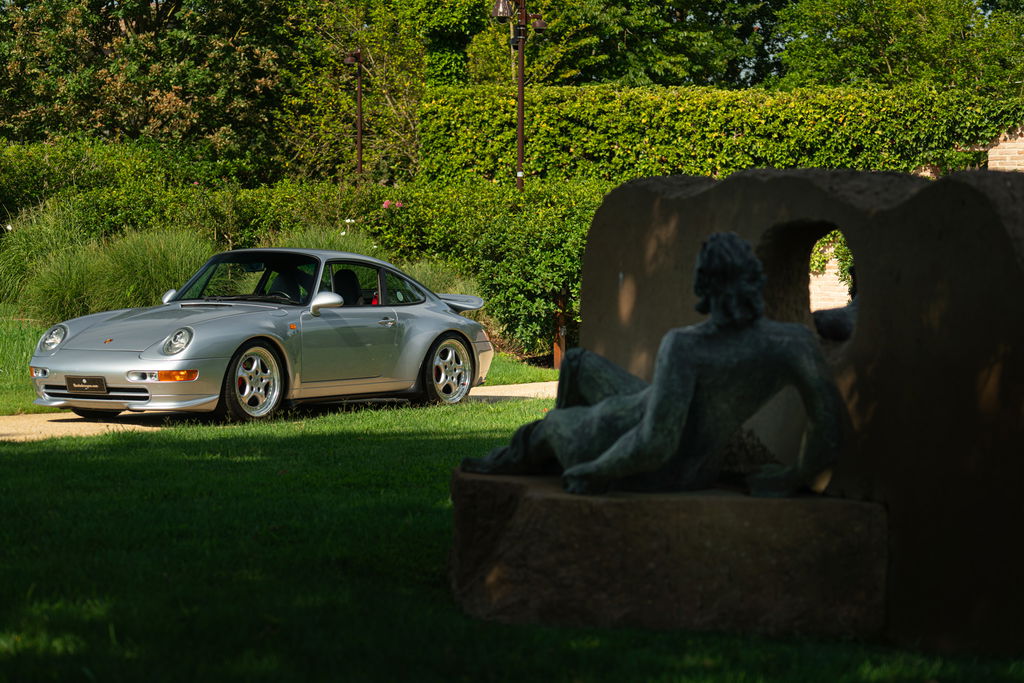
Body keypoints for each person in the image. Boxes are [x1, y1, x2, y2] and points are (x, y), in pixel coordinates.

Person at [462, 232, 842, 497]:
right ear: (753, 282)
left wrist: (596, 472)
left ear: (703, 284)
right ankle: (561, 453)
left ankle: (530, 457)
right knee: (577, 363)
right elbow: (828, 419)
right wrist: (796, 475)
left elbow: (658, 440)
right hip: (686, 448)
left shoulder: (687, 345)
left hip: (663, 468)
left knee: (547, 428)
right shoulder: (793, 342)